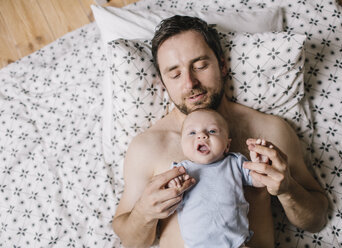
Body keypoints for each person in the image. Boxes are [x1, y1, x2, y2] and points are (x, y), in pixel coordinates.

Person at [112, 15, 328, 248]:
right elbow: (132, 243)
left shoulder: (268, 131)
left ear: (222, 65)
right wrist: (144, 213)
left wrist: (288, 191)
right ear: (164, 84)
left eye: (200, 66)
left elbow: (316, 220)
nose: (190, 82)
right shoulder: (149, 146)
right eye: (175, 74)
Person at [167, 108, 269, 248]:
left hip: (236, 243)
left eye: (212, 131)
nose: (202, 135)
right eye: (192, 132)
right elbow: (169, 199)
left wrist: (261, 164)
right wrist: (172, 185)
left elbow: (259, 181)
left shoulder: (235, 163)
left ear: (227, 145)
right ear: (182, 144)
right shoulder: (180, 170)